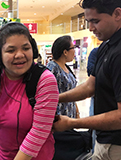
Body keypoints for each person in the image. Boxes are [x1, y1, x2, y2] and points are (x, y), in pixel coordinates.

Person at [0, 22, 59, 160]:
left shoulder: (45, 80)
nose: (19, 55)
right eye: (11, 50)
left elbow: (39, 132)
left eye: (26, 48)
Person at [53, 0, 121, 159]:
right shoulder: (107, 45)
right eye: (88, 22)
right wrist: (56, 98)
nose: (90, 28)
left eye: (95, 21)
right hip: (102, 139)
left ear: (117, 14)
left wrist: (72, 123)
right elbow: (90, 86)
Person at [47, 35, 77, 118]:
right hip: (59, 119)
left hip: (69, 117)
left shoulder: (66, 67)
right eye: (73, 48)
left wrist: (76, 112)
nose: (74, 51)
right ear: (65, 52)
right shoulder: (52, 68)